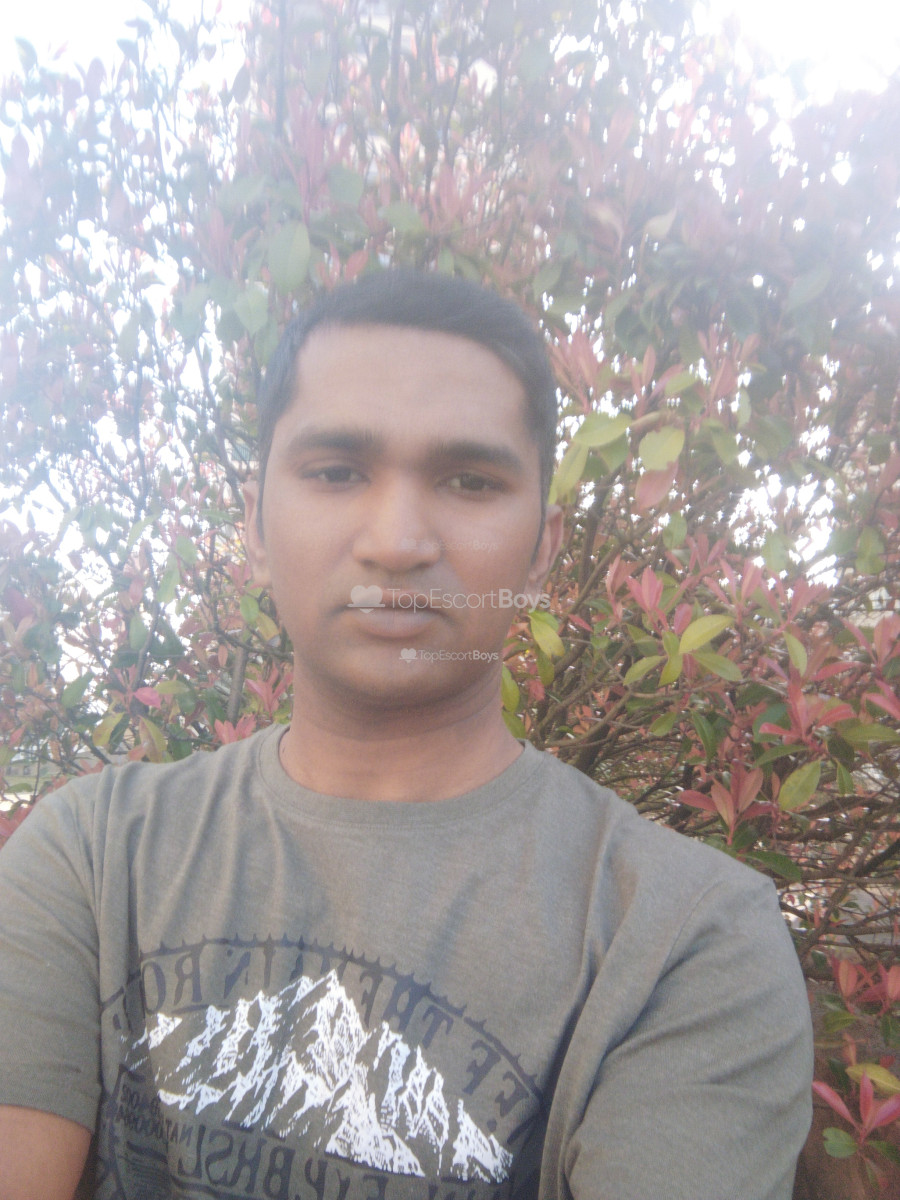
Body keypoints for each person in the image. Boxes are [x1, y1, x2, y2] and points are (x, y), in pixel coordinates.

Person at [0, 269, 812, 1200]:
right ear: (255, 525)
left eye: (470, 481)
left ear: (541, 551)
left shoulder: (687, 942)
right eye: (336, 471)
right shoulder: (92, 859)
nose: (396, 541)